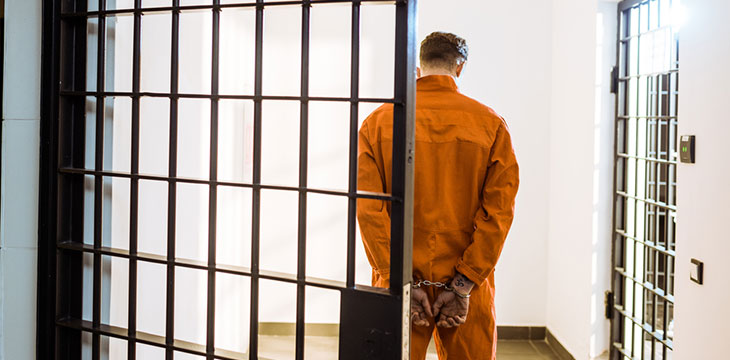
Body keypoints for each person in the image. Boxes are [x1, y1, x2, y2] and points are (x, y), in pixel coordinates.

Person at [356, 31, 520, 360]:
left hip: (401, 272)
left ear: (419, 68)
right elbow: (499, 213)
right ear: (460, 68)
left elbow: (369, 209)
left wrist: (394, 277)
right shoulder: (490, 125)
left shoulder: (379, 123)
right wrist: (464, 283)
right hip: (465, 274)